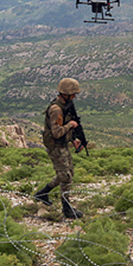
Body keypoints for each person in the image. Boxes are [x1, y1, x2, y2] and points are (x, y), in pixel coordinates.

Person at [32, 78, 85, 219]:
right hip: (55, 146)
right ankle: (66, 209)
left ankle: (42, 193)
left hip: (62, 144)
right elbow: (56, 133)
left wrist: (73, 140)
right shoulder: (56, 109)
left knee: (68, 173)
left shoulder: (66, 105)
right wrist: (71, 125)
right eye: (73, 94)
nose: (74, 97)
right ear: (65, 94)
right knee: (65, 177)